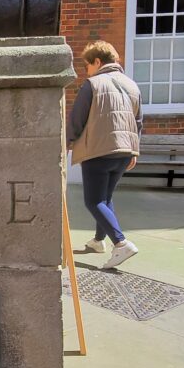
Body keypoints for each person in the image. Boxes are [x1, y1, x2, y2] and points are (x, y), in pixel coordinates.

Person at [67, 40, 142, 270]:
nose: (86, 71)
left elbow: (77, 119)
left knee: (93, 201)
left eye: (87, 65)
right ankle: (99, 241)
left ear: (97, 61)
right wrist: (134, 150)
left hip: (98, 150)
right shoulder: (132, 85)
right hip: (124, 151)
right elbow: (138, 121)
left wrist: (67, 143)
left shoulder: (92, 85)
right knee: (105, 198)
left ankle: (121, 243)